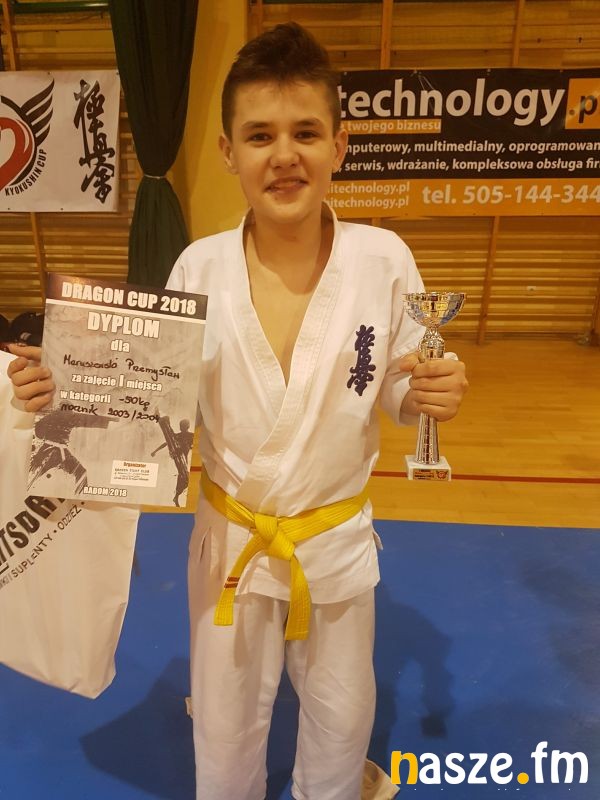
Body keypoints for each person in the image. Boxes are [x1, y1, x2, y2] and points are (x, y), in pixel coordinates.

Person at [7, 22, 468, 800]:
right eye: (260, 135)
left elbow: (393, 386)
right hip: (230, 543)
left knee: (342, 720)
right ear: (228, 151)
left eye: (305, 133)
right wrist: (63, 395)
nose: (284, 155)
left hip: (333, 542)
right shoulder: (199, 267)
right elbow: (150, 400)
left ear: (340, 144)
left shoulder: (384, 261)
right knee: (223, 737)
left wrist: (425, 394)